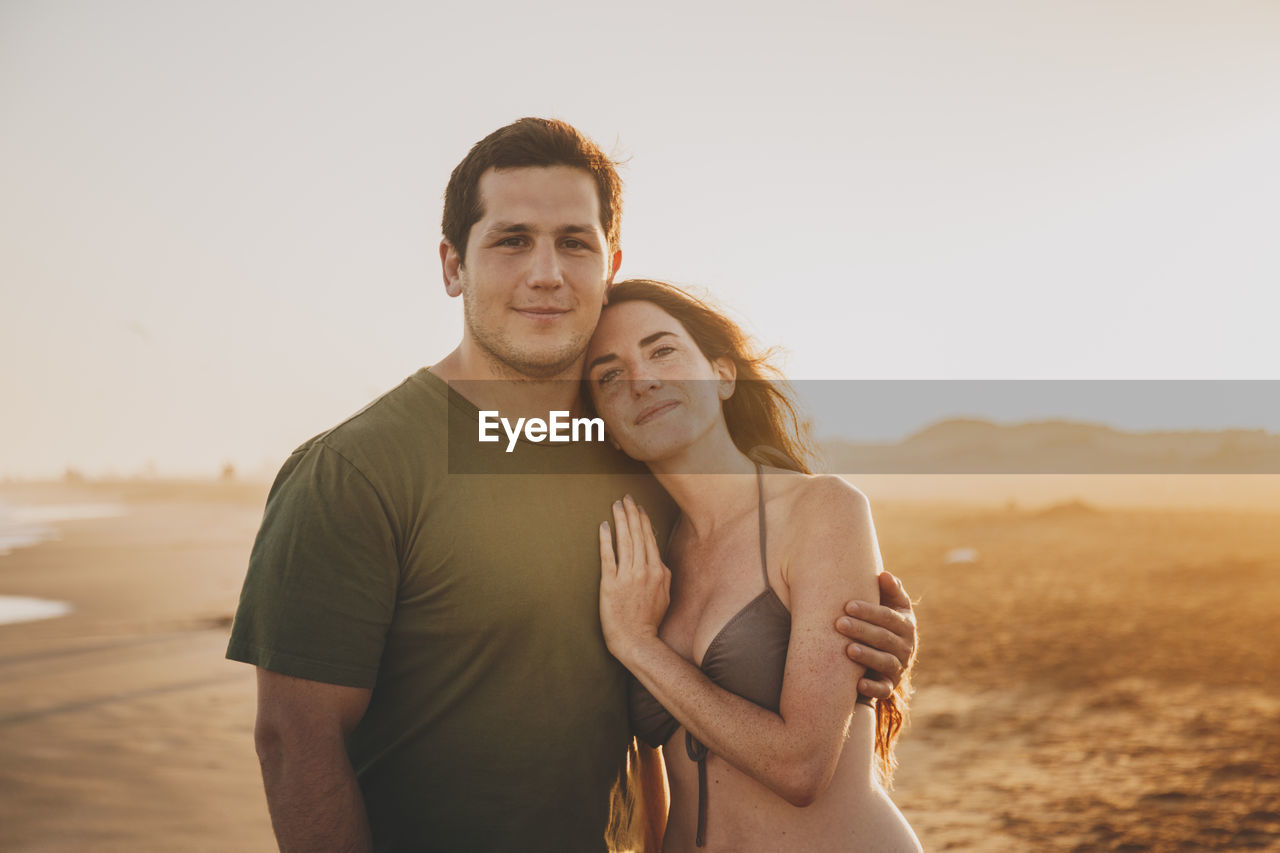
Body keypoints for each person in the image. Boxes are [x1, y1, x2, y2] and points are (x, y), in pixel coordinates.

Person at [226, 118, 918, 852]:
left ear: (610, 262)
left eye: (575, 242)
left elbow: (754, 609)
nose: (547, 272)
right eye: (512, 239)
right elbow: (294, 741)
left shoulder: (638, 463)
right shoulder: (353, 472)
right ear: (452, 265)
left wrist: (867, 646)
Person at [589, 279, 921, 851]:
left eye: (662, 350)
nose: (641, 379)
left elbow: (802, 768)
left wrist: (639, 647)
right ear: (607, 429)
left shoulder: (822, 510)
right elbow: (652, 785)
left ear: (723, 375)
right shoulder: (641, 558)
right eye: (609, 375)